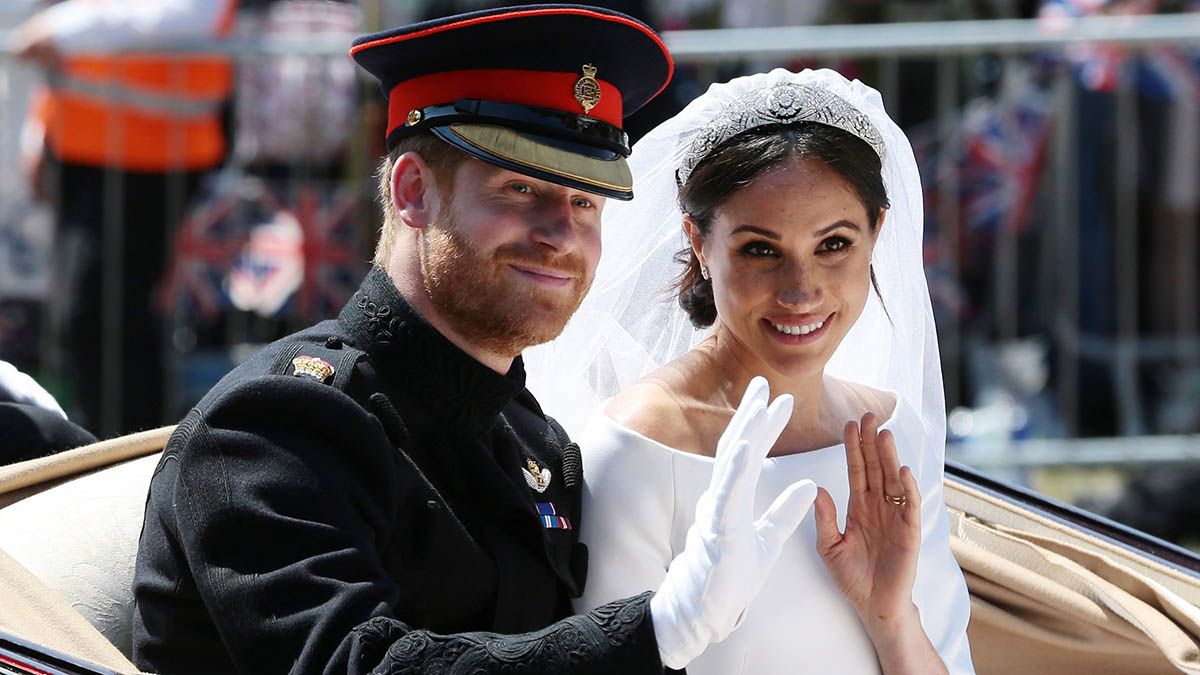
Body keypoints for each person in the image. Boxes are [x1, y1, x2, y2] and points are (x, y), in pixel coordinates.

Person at [133, 7, 818, 674]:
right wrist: (662, 627)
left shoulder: (532, 439)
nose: (560, 234)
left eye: (585, 202)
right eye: (520, 188)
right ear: (412, 191)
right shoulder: (274, 427)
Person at [526, 68, 975, 673]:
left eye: (834, 244)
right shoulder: (636, 448)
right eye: (761, 250)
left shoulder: (891, 435)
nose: (801, 291)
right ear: (700, 242)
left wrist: (891, 618)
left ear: (878, 234)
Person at [11, 0, 238, 436]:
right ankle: (104, 451)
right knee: (85, 319)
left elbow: (187, 13)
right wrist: (40, 129)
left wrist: (61, 28)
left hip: (152, 160)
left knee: (111, 319)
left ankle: (129, 457)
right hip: (84, 154)